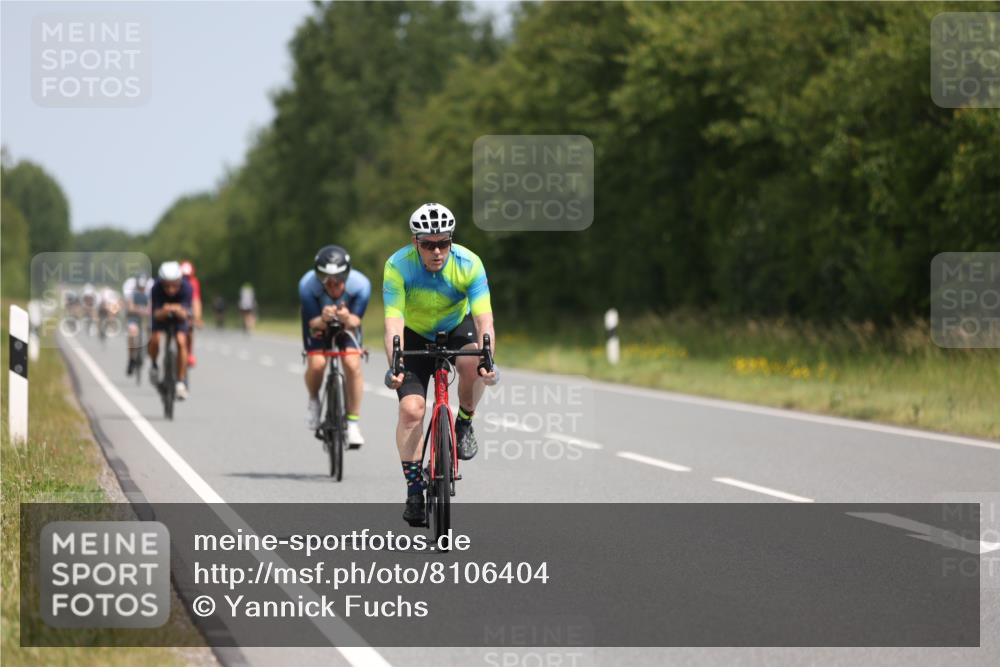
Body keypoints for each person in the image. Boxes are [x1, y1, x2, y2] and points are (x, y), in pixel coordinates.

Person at [383, 203, 498, 526]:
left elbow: (483, 317)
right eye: (428, 244)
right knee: (411, 410)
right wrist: (395, 364)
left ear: (451, 240)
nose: (437, 251)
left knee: (473, 364)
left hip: (456, 327)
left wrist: (488, 358)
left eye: (443, 243)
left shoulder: (469, 263)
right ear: (414, 242)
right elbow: (393, 321)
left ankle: (464, 421)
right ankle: (414, 489)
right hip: (414, 333)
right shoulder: (398, 265)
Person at [300, 245, 371, 446]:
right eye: (325, 278)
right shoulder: (307, 285)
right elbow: (313, 324)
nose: (332, 284)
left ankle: (353, 423)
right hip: (318, 325)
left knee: (351, 363)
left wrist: (347, 317)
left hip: (346, 326)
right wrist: (323, 319)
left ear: (347, 275)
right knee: (317, 364)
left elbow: (356, 322)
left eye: (339, 279)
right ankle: (314, 400)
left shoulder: (361, 285)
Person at [148, 261, 193, 400]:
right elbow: (155, 313)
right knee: (155, 338)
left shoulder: (187, 287)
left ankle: (180, 381)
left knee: (181, 341)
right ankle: (154, 364)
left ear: (179, 281)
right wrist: (167, 310)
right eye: (167, 285)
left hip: (179, 318)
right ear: (161, 282)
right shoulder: (156, 288)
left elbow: (186, 313)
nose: (171, 290)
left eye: (174, 285)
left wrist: (174, 309)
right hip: (161, 316)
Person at [124, 274, 151, 376]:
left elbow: (150, 307)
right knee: (132, 332)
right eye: (140, 287)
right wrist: (139, 310)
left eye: (143, 287)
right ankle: (131, 359)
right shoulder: (132, 294)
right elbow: (130, 308)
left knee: (151, 331)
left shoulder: (148, 295)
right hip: (134, 319)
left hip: (144, 319)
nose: (141, 289)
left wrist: (145, 311)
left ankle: (148, 350)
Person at [180, 260, 203, 367]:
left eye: (187, 276)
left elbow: (196, 300)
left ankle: (189, 353)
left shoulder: (194, 282)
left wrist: (197, 318)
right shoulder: (174, 282)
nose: (185, 278)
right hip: (176, 307)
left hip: (188, 307)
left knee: (189, 330)